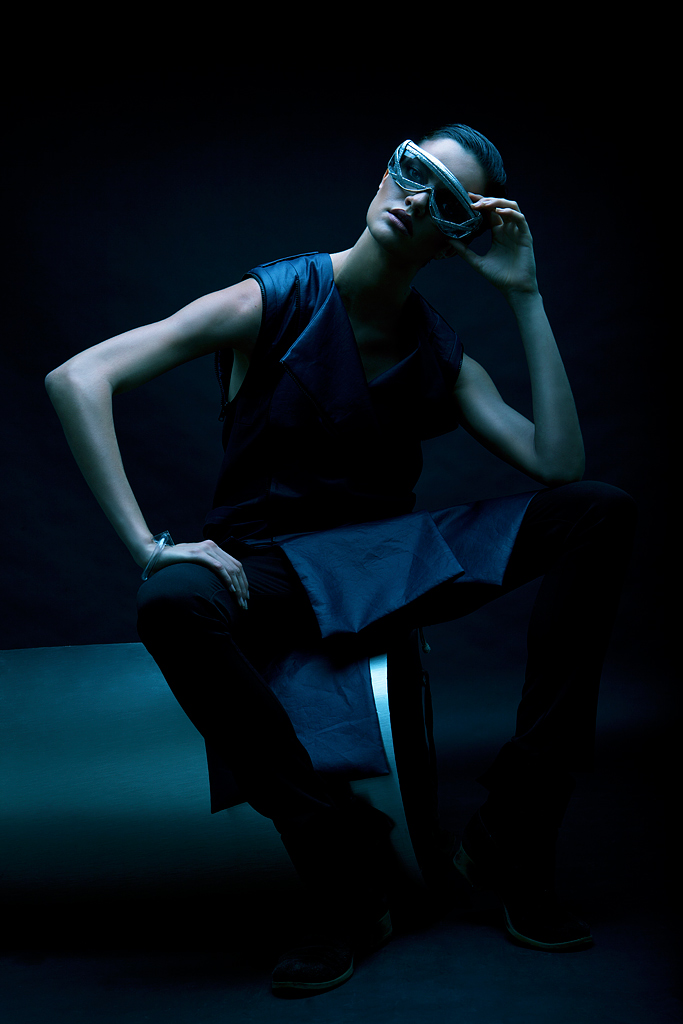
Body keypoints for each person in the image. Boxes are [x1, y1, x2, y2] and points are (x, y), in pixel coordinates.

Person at [45, 124, 636, 997]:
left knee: (598, 512)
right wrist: (150, 545)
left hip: (387, 563)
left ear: (460, 235)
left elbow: (558, 463)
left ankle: (514, 832)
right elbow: (78, 377)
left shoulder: (439, 354)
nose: (414, 199)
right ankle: (341, 865)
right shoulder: (272, 299)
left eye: (446, 201)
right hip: (268, 569)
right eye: (411, 170)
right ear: (386, 169)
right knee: (171, 603)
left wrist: (524, 292)